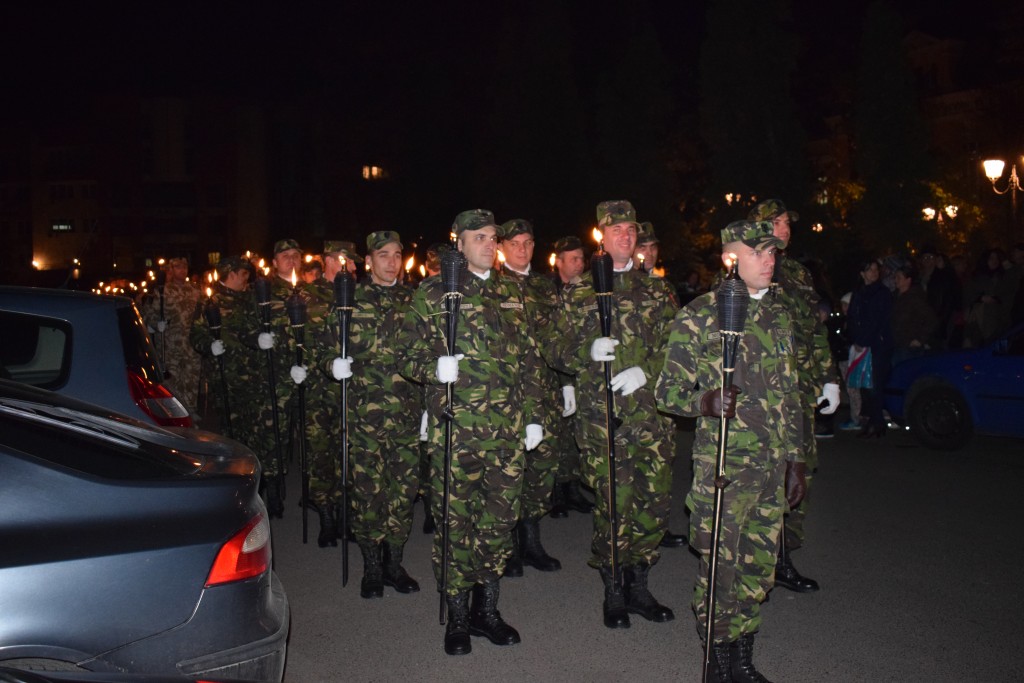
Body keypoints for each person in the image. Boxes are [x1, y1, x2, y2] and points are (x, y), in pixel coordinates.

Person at [655, 219, 802, 683]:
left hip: (771, 465)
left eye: (772, 251)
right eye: (758, 252)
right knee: (721, 569)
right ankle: (718, 659)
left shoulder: (779, 314)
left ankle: (742, 656)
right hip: (725, 469)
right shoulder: (700, 314)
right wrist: (704, 401)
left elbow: (791, 392)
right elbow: (665, 391)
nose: (768, 259)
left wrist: (796, 459)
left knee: (758, 571)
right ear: (729, 258)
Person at [397, 209, 543, 655]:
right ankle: (458, 616)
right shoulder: (434, 292)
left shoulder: (512, 292)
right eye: (477, 237)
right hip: (455, 432)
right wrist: (432, 370)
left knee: (498, 524)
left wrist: (535, 415)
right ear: (458, 243)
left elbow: (531, 360)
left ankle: (487, 611)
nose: (487, 243)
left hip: (507, 433)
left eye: (492, 237)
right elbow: (405, 354)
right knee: (455, 526)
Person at [557, 200, 677, 630]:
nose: (625, 236)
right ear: (601, 236)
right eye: (617, 230)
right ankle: (613, 590)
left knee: (652, 501)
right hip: (602, 418)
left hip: (650, 418)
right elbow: (555, 348)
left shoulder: (657, 289)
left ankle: (639, 584)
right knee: (613, 504)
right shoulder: (579, 290)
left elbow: (678, 348)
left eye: (631, 230)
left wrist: (649, 370)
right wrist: (585, 352)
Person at [748, 199, 838, 594]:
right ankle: (754, 559)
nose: (784, 228)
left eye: (787, 222)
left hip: (799, 390)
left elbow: (815, 330)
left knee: (799, 472)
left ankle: (784, 557)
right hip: (762, 394)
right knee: (763, 474)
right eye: (776, 222)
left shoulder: (799, 273)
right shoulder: (741, 270)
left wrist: (829, 378)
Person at [326, 231, 422, 596]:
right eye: (384, 255)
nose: (392, 262)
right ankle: (370, 567)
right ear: (369, 261)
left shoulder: (413, 301)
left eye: (397, 254)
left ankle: (394, 564)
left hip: (407, 418)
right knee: (368, 494)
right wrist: (332, 365)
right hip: (365, 420)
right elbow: (326, 347)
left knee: (403, 493)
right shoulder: (350, 300)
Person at [498, 219, 569, 575]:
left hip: (546, 392)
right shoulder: (492, 286)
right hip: (509, 395)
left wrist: (567, 381)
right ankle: (507, 543)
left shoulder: (545, 286)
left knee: (542, 468)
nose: (522, 250)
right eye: (515, 243)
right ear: (502, 247)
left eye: (528, 242)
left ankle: (531, 538)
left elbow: (559, 335)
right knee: (510, 469)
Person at [548, 236, 595, 519]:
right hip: (554, 371)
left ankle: (573, 488)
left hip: (582, 369)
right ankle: (555, 492)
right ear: (559, 262)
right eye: (573, 259)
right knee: (556, 434)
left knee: (576, 434)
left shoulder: (588, 289)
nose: (579, 264)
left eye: (581, 258)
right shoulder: (548, 289)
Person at [189, 256, 259, 446]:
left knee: (253, 425)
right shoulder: (210, 301)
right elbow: (196, 335)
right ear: (232, 274)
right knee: (231, 428)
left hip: (252, 373)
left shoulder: (248, 298)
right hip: (225, 374)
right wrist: (209, 346)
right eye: (244, 274)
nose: (247, 279)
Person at [142, 256, 202, 415]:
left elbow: (202, 316)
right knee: (173, 381)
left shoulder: (195, 290)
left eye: (185, 267)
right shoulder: (163, 291)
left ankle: (191, 411)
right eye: (178, 267)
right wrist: (156, 325)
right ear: (171, 270)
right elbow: (149, 315)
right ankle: (176, 413)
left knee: (191, 379)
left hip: (191, 345)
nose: (182, 270)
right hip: (171, 345)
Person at [847, 258, 892, 438]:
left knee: (875, 384)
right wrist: (855, 338)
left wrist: (863, 340)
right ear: (862, 273)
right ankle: (869, 420)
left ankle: (877, 422)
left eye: (875, 269)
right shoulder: (859, 293)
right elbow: (852, 318)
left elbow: (877, 321)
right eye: (870, 269)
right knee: (864, 384)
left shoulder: (882, 293)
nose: (873, 273)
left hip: (877, 345)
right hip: (861, 343)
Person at [890, 263, 938, 367]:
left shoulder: (915, 298)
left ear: (908, 280)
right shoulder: (895, 296)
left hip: (908, 347)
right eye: (895, 277)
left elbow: (931, 319)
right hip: (896, 343)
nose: (896, 280)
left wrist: (920, 339)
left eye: (899, 277)